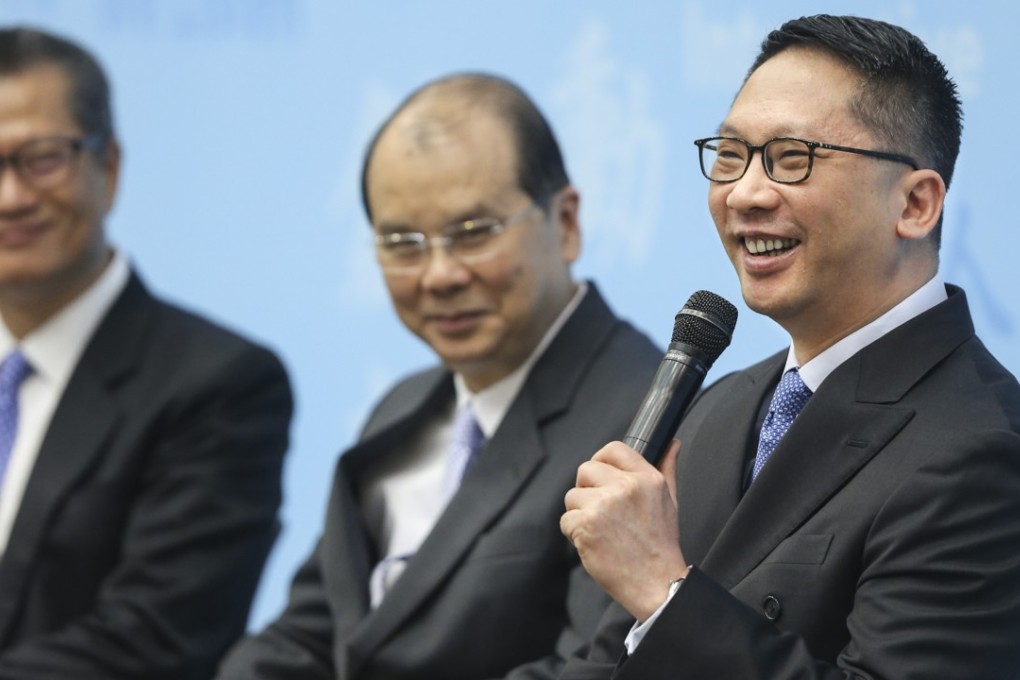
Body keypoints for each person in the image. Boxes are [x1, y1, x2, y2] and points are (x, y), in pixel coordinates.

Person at [559, 14, 1020, 679]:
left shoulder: (983, 451)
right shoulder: (716, 410)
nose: (744, 193)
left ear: (917, 204)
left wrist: (665, 593)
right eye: (729, 155)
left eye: (792, 159)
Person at [216, 73, 662, 680]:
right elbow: (307, 636)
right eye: (403, 243)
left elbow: (590, 666)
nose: (439, 275)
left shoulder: (648, 417)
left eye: (473, 233)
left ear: (565, 222)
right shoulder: (403, 407)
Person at [0, 27, 292, 679]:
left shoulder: (221, 383)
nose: (11, 197)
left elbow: (155, 643)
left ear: (108, 167)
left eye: (41, 158)